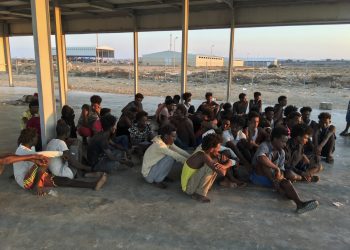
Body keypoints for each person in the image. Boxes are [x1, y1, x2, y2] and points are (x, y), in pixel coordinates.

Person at [13, 128, 107, 196]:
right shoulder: (22, 150)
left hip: (31, 176)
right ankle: (35, 187)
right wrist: (61, 153)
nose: (38, 139)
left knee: (64, 181)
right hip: (26, 182)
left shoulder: (28, 147)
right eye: (36, 137)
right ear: (32, 139)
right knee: (44, 160)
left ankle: (93, 185)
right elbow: (40, 154)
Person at [250, 127, 319, 214]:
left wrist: (281, 177)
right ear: (274, 139)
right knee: (264, 163)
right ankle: (278, 187)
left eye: (286, 142)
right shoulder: (265, 145)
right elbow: (261, 158)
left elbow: (282, 169)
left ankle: (299, 204)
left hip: (272, 180)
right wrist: (276, 168)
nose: (285, 144)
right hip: (258, 177)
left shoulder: (281, 152)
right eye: (282, 141)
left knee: (286, 184)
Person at [181, 133, 233, 202]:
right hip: (188, 188)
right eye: (218, 148)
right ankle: (199, 194)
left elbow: (230, 161)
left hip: (190, 182)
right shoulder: (203, 156)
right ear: (211, 149)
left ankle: (203, 188)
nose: (219, 150)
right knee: (211, 167)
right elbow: (222, 173)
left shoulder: (204, 151)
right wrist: (223, 164)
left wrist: (225, 164)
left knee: (215, 163)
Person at [142, 124, 190, 188]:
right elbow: (176, 155)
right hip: (148, 176)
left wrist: (191, 157)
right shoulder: (160, 145)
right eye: (173, 136)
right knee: (170, 157)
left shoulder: (164, 141)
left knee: (171, 155)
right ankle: (158, 180)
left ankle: (161, 176)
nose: (175, 139)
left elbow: (180, 151)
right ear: (166, 136)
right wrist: (190, 163)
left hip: (153, 168)